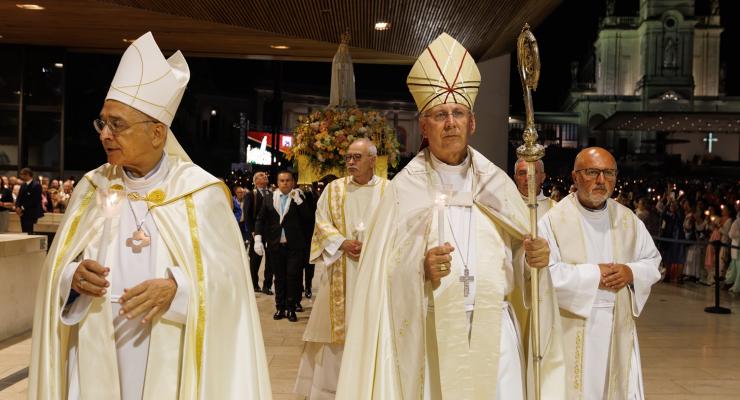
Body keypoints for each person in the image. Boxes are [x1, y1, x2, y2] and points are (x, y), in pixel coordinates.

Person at [28, 32, 271, 399]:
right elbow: (59, 267)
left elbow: (231, 286)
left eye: (118, 125)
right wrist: (70, 277)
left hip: (168, 350)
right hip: (96, 342)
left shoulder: (199, 193)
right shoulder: (92, 188)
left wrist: (177, 289)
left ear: (158, 133)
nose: (105, 135)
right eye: (103, 123)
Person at [336, 33, 564, 399]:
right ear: (424, 126)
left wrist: (533, 261)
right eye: (439, 115)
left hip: (496, 330)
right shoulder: (402, 191)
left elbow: (520, 259)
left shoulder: (497, 185)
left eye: (458, 113)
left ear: (471, 123)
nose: (450, 123)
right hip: (432, 327)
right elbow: (380, 277)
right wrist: (419, 268)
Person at [539, 147, 661, 399]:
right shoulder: (553, 221)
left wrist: (631, 271)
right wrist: (595, 274)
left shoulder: (628, 220)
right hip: (571, 325)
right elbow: (544, 273)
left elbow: (652, 260)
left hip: (618, 323)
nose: (601, 181)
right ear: (575, 177)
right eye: (592, 172)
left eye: (608, 173)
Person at [295, 138, 388, 399]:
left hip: (375, 273)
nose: (350, 162)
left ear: (373, 160)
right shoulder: (334, 189)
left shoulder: (389, 191)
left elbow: (396, 228)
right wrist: (343, 242)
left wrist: (374, 245)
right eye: (348, 157)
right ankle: (331, 390)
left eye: (357, 157)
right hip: (341, 270)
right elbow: (321, 223)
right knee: (335, 335)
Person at [254, 170, 314, 322]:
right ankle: (280, 307)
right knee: (279, 278)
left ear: (293, 182)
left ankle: (291, 308)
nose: (285, 183)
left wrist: (300, 202)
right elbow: (260, 219)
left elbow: (309, 219)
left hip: (295, 246)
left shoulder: (300, 198)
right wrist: (258, 239)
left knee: (293, 277)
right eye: (282, 180)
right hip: (275, 245)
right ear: (277, 182)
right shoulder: (269, 198)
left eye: (288, 180)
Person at [248, 171, 273, 293]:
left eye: (265, 175)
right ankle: (254, 283)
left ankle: (267, 285)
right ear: (256, 181)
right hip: (256, 232)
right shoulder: (251, 194)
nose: (265, 176)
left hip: (270, 232)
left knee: (271, 260)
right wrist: (252, 231)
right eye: (262, 176)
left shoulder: (271, 193)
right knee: (255, 260)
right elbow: (247, 216)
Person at [15, 167, 44, 233]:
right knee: (24, 231)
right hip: (23, 213)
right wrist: (17, 207)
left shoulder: (36, 185)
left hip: (31, 213)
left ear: (27, 175)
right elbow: (19, 197)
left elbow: (35, 200)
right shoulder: (23, 185)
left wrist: (22, 207)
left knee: (29, 231)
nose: (21, 176)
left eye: (22, 174)